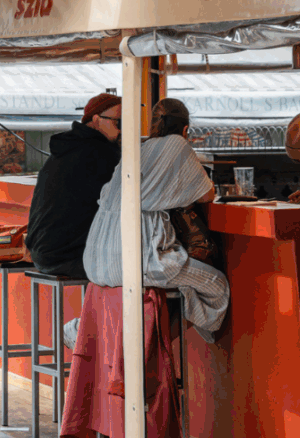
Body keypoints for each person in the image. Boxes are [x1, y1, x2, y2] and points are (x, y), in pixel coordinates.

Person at [81, 98, 229, 340]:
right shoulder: (178, 145)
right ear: (185, 129)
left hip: (97, 259)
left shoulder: (137, 149)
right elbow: (207, 194)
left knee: (184, 286)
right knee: (216, 285)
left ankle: (106, 338)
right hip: (139, 262)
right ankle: (150, 348)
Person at [24, 93, 123, 278]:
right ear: (96, 120)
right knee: (141, 265)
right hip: (69, 257)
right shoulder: (100, 153)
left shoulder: (68, 148)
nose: (121, 131)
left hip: (41, 253)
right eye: (119, 123)